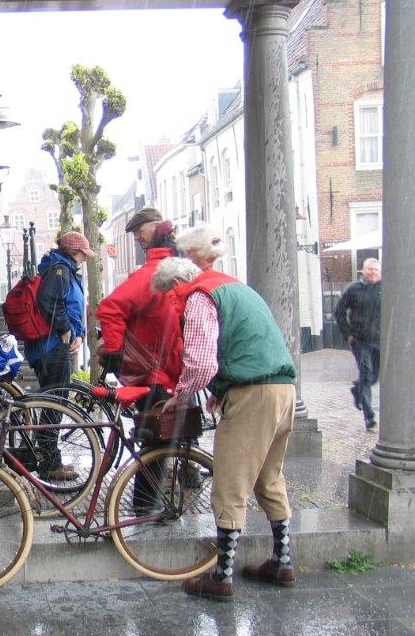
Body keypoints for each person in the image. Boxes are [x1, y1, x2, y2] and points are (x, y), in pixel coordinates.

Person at [153, 256, 297, 602]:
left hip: (252, 396)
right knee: (269, 478)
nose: (174, 306)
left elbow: (201, 362)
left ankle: (222, 575)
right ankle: (282, 561)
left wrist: (181, 394)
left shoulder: (200, 296)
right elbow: (246, 343)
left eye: (169, 298)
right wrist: (220, 392)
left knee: (230, 482)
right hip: (283, 389)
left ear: (175, 286)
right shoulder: (235, 287)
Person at [96, 207, 184, 511]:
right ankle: (145, 507)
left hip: (166, 370)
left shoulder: (166, 272)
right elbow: (110, 308)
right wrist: (115, 353)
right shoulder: (154, 274)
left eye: (140, 232)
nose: (137, 238)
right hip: (154, 373)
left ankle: (155, 499)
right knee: (156, 439)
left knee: (163, 435)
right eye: (134, 234)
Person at [23, 230, 96, 481]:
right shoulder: (60, 271)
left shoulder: (61, 269)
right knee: (55, 405)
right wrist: (66, 329)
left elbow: (70, 305)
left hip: (51, 346)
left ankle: (48, 457)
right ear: (74, 252)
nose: (84, 259)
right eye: (82, 254)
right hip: (51, 348)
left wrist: (79, 333)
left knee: (55, 403)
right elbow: (50, 301)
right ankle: (49, 463)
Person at [334, 257, 382, 430]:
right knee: (366, 372)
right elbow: (339, 312)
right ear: (363, 271)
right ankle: (369, 416)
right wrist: (347, 334)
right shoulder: (353, 290)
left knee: (372, 377)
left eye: (376, 270)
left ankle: (357, 389)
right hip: (360, 340)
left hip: (379, 340)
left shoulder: (385, 288)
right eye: (370, 269)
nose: (374, 273)